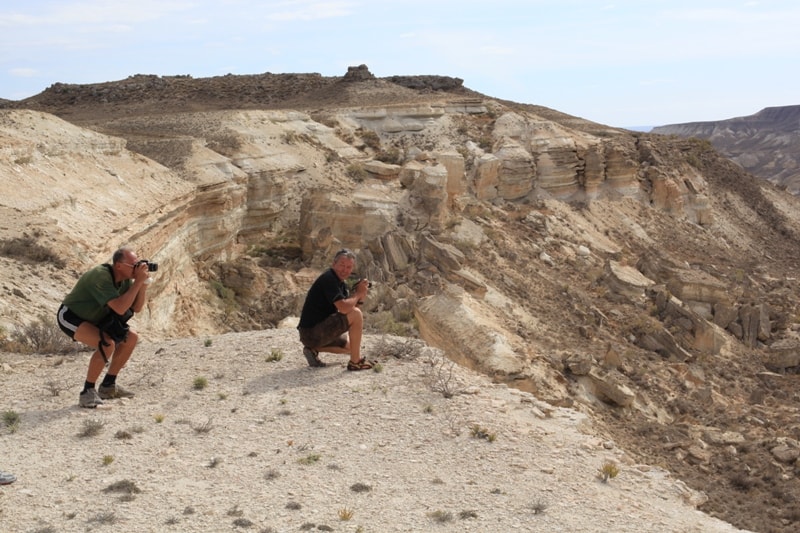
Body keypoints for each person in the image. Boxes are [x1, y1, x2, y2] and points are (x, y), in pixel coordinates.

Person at [57, 247, 151, 408]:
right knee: (106, 344)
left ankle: (108, 386)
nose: (137, 268)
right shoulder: (100, 276)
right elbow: (120, 308)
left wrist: (141, 286)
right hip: (72, 316)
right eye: (134, 265)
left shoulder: (125, 280)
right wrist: (138, 283)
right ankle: (87, 392)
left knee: (131, 338)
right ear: (119, 265)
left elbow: (136, 308)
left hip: (97, 318)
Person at [298, 248, 374, 370]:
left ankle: (313, 349)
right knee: (355, 314)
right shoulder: (329, 278)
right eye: (342, 265)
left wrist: (361, 296)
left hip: (314, 334)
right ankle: (355, 362)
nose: (345, 270)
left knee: (351, 347)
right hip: (312, 332)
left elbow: (352, 313)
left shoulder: (341, 284)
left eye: (349, 267)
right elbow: (344, 309)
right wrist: (357, 294)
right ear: (334, 264)